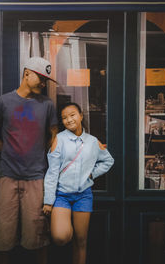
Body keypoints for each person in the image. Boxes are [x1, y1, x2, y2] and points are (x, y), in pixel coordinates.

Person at [0, 57, 59, 264]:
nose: (43, 84)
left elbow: (54, 134)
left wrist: (40, 154)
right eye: (41, 79)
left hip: (36, 178)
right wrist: (8, 152)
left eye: (46, 81)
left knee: (38, 235)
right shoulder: (2, 102)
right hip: (7, 177)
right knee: (3, 234)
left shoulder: (47, 104)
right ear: (27, 73)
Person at [43, 102, 114, 264]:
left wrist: (91, 174)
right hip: (62, 196)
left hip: (84, 196)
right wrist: (48, 201)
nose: (69, 120)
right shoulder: (59, 140)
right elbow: (52, 172)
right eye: (64, 118)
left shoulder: (92, 141)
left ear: (81, 116)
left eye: (72, 115)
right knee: (61, 237)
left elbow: (108, 161)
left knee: (81, 241)